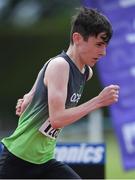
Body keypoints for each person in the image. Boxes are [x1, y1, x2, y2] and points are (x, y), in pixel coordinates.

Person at [0, 7, 119, 179]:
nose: (103, 52)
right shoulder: (60, 66)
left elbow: (33, 93)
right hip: (18, 160)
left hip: (44, 160)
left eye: (105, 45)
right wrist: (98, 101)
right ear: (77, 38)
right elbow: (57, 119)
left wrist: (28, 99)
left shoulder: (85, 72)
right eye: (99, 44)